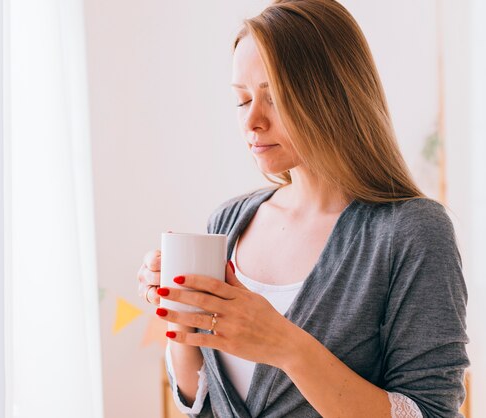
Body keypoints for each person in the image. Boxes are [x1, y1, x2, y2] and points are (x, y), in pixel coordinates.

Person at [136, 0, 469, 416]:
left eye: (273, 98)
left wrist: (284, 345)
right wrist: (180, 320)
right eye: (241, 100)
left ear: (333, 95)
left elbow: (432, 411)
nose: (251, 121)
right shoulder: (229, 222)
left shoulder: (411, 232)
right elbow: (200, 401)